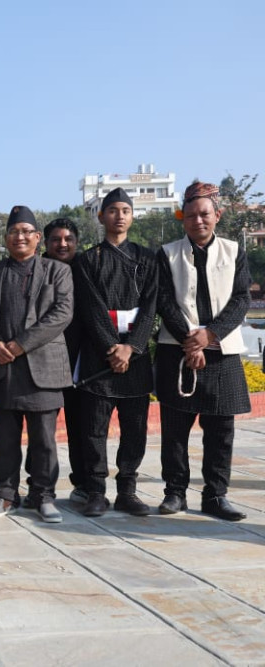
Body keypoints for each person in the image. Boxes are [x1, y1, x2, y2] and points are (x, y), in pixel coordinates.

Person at [156, 181, 251, 522]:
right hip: (176, 350)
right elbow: (164, 301)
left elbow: (242, 299)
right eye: (191, 215)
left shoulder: (233, 251)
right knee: (175, 429)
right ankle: (175, 492)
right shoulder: (166, 253)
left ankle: (216, 495)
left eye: (205, 214)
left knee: (221, 430)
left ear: (217, 215)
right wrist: (189, 340)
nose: (198, 221)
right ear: (183, 219)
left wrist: (209, 335)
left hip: (222, 351)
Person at [0, 206, 73, 523]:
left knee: (44, 440)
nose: (20, 236)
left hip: (44, 367)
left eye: (26, 232)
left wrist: (20, 344)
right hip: (4, 368)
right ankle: (5, 495)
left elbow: (61, 314)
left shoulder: (57, 271)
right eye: (13, 232)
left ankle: (43, 496)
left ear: (36, 238)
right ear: (6, 238)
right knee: (4, 439)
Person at [72, 188, 158, 517]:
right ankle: (96, 491)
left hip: (134, 357)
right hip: (100, 355)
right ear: (101, 216)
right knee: (94, 428)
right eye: (112, 210)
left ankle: (128, 490)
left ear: (133, 216)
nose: (119, 215)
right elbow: (91, 309)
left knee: (134, 427)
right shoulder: (88, 260)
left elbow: (150, 308)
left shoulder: (148, 259)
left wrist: (131, 347)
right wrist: (112, 347)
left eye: (125, 210)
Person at [41, 218, 86, 503]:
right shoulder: (37, 270)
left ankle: (83, 484)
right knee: (42, 430)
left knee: (81, 428)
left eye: (68, 239)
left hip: (81, 362)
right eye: (56, 239)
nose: (62, 244)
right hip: (44, 362)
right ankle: (39, 486)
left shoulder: (86, 268)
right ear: (44, 243)